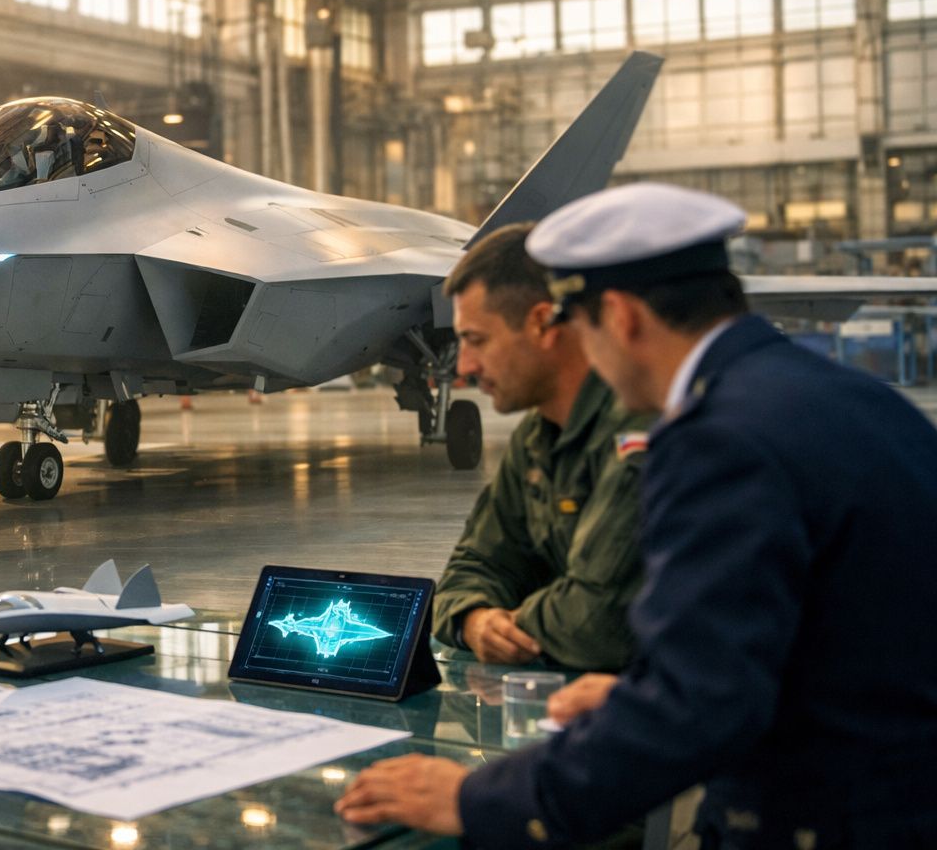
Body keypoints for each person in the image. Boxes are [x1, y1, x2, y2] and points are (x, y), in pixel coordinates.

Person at [336, 183, 937, 847]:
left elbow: (693, 708)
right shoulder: (842, 400)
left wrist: (476, 797)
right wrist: (639, 696)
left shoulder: (717, 440)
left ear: (619, 317)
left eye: (581, 327)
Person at [434, 223, 651, 673]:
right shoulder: (538, 435)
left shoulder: (641, 426)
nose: (466, 366)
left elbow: (598, 622)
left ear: (540, 323)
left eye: (476, 340)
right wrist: (475, 620)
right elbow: (472, 566)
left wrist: (513, 622)